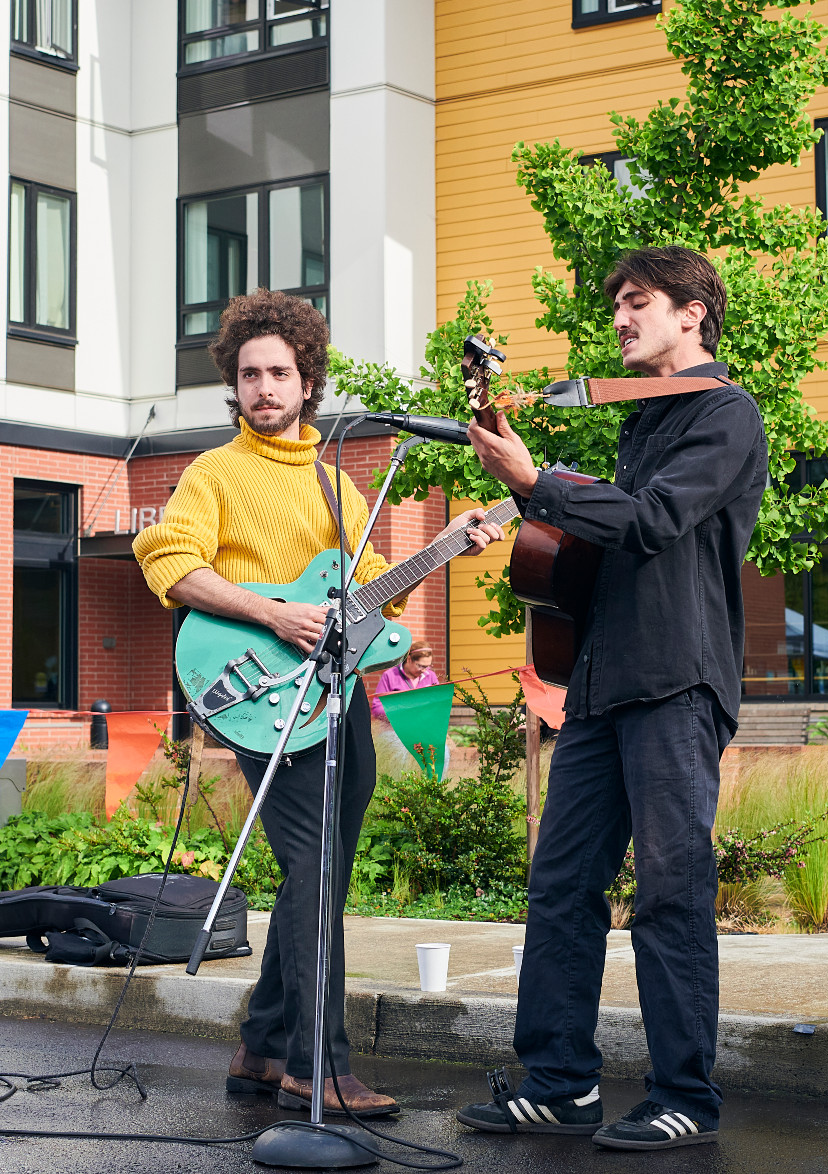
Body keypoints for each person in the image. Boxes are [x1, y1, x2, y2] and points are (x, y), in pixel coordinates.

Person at [133, 288, 501, 1117]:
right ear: (234, 382)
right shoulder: (213, 473)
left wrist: (449, 549)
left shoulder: (339, 488)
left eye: (281, 373)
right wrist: (272, 613)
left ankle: (263, 1048)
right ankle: (316, 1068)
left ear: (309, 384)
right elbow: (168, 563)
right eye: (250, 373)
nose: (264, 387)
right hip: (266, 695)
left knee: (317, 877)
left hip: (339, 699)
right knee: (317, 872)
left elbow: (367, 604)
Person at [456, 246, 768, 1150]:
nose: (622, 319)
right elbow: (608, 540)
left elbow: (656, 522)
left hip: (676, 682)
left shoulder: (724, 414)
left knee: (671, 892)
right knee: (559, 887)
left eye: (639, 303)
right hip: (596, 683)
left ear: (691, 315)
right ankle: (559, 1084)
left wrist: (534, 484)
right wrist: (529, 516)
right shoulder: (640, 423)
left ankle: (684, 1098)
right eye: (618, 307)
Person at [370, 638, 439, 721]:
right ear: (409, 659)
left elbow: (438, 703)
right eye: (421, 666)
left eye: (428, 666)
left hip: (425, 726)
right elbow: (377, 708)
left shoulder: (431, 676)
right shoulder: (390, 675)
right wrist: (401, 710)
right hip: (395, 729)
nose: (424, 670)